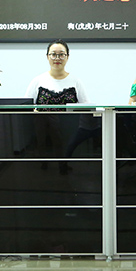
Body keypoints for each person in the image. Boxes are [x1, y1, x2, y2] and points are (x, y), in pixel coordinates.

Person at [25, 39, 90, 173]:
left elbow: (86, 106)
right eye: (53, 54)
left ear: (67, 57)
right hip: (42, 125)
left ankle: (63, 165)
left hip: (68, 128)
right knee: (42, 144)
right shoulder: (38, 80)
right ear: (47, 56)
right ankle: (43, 165)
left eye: (61, 54)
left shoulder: (76, 81)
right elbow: (26, 106)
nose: (57, 58)